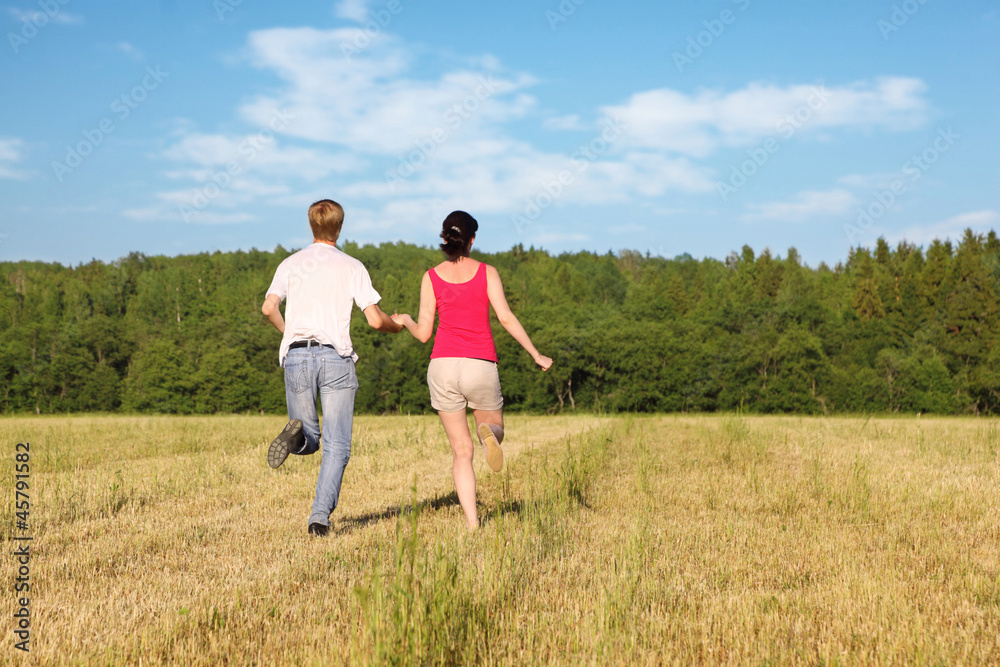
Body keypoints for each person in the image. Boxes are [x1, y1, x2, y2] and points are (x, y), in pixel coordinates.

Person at [392, 211, 552, 529]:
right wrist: (535, 353)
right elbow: (505, 318)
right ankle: (490, 435)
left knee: (461, 451)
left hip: (442, 367)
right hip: (479, 364)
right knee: (494, 429)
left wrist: (405, 320)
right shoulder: (487, 272)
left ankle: (472, 523)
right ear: (473, 239)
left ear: (445, 239)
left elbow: (424, 333)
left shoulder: (431, 276)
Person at [261, 199, 403, 537]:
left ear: (311, 226)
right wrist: (396, 325)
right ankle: (319, 519)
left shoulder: (290, 263)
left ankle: (295, 436)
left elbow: (268, 308)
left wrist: (290, 332)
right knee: (337, 446)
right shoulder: (352, 266)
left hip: (295, 355)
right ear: (339, 228)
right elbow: (373, 319)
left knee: (309, 439)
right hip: (334, 357)